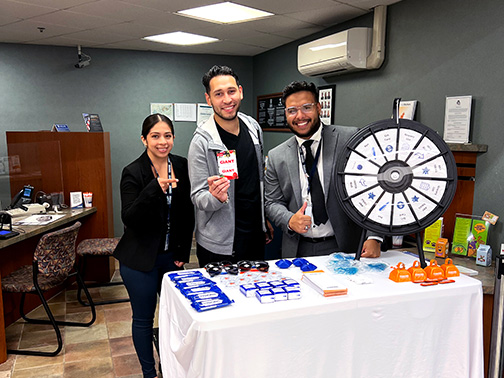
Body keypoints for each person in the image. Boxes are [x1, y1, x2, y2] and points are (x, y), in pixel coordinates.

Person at [114, 113, 194, 378]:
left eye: (167, 135)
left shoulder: (181, 166)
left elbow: (186, 213)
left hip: (171, 259)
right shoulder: (133, 171)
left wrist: (182, 253)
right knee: (144, 319)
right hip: (139, 261)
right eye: (155, 136)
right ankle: (150, 374)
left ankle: (169, 368)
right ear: (144, 139)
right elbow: (129, 218)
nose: (162, 142)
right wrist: (152, 189)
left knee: (175, 319)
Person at [265, 81, 382, 258]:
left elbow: (376, 187)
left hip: (345, 245)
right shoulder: (276, 156)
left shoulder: (349, 139)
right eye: (292, 110)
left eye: (306, 107)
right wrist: (289, 220)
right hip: (298, 249)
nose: (300, 116)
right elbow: (271, 202)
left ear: (319, 107)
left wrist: (375, 236)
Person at [188, 65, 272, 268]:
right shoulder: (201, 143)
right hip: (219, 245)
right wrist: (216, 198)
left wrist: (264, 219)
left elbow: (258, 180)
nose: (227, 100)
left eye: (231, 91)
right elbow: (198, 196)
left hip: (254, 237)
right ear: (209, 99)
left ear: (240, 92)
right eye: (218, 94)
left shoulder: (253, 128)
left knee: (254, 296)